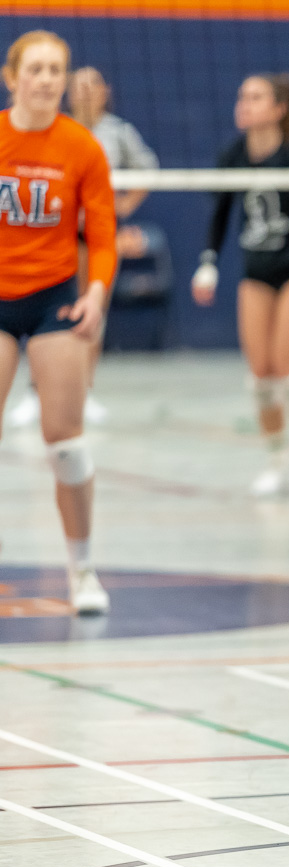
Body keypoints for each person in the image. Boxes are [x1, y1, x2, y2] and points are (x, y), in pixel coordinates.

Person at [0, 31, 116, 614]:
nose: (46, 79)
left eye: (56, 70)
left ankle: (83, 569)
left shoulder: (82, 148)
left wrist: (96, 294)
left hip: (54, 300)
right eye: (36, 68)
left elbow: (103, 238)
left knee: (65, 443)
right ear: (11, 75)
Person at [192, 74, 289, 499]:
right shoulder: (234, 156)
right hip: (257, 271)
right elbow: (219, 214)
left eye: (256, 98)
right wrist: (208, 263)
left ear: (279, 109)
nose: (245, 104)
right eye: (242, 97)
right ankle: (277, 461)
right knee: (260, 376)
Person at [6, 65, 156, 430]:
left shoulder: (118, 133)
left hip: (95, 236)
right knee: (44, 312)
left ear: (106, 90)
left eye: (93, 85)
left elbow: (147, 171)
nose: (86, 92)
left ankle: (83, 390)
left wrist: (122, 207)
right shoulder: (50, 128)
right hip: (52, 234)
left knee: (90, 313)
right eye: (79, 86)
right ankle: (34, 392)